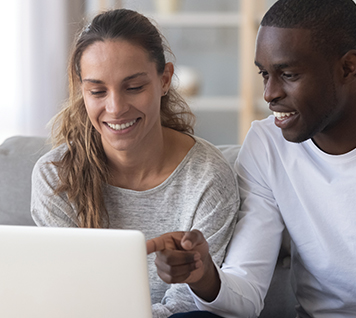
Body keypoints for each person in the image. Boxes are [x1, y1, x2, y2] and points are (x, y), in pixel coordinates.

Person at [147, 0, 356, 317]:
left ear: (348, 68)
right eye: (265, 74)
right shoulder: (267, 145)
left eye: (289, 74)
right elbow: (247, 293)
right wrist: (204, 275)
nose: (269, 94)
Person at [30, 9, 239, 318]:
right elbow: (68, 294)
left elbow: (185, 304)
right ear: (82, 90)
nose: (115, 108)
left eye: (134, 87)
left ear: (165, 79)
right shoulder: (55, 176)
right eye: (97, 91)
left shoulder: (208, 177)